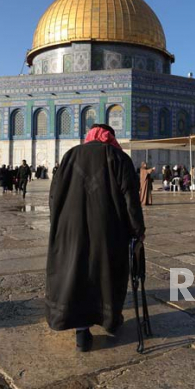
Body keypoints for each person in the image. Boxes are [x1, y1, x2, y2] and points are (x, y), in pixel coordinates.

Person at [46, 123, 145, 353]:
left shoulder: (70, 155)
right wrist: (138, 230)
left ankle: (82, 332)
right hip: (108, 229)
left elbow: (53, 195)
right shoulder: (118, 158)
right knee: (105, 274)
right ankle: (110, 319)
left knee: (75, 275)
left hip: (70, 228)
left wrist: (58, 225)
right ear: (110, 137)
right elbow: (131, 200)